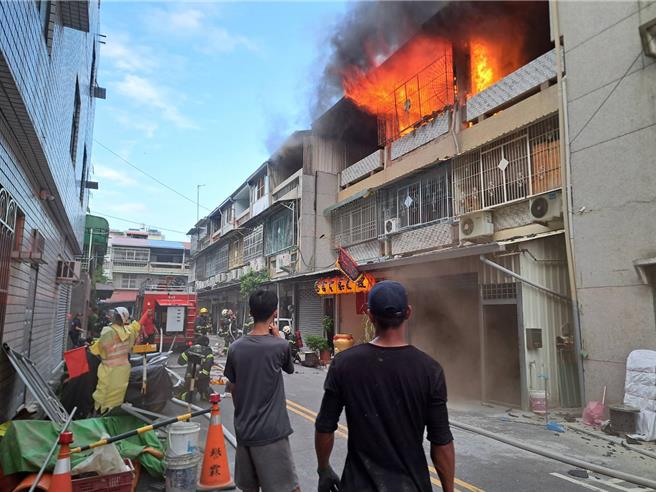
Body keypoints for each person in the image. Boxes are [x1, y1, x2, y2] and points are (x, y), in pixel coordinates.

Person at [314, 281, 455, 492]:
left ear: (370, 315)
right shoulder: (430, 370)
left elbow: (325, 426)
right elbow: (441, 441)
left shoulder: (344, 363)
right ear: (408, 312)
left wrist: (323, 470)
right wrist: (448, 490)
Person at [224, 289, 299, 492]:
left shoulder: (235, 348)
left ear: (250, 312)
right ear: (275, 313)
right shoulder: (280, 346)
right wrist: (278, 337)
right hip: (272, 433)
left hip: (244, 431)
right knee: (289, 488)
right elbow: (289, 369)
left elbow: (233, 389)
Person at [90, 307, 149, 414]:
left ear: (115, 317)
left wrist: (92, 344)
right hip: (123, 371)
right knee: (117, 396)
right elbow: (136, 326)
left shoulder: (108, 331)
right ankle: (112, 415)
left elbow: (96, 349)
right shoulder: (129, 332)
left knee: (103, 395)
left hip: (109, 370)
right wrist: (146, 313)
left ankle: (99, 414)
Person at [177, 334, 214, 402]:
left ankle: (187, 395)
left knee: (181, 393)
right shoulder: (208, 351)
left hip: (190, 377)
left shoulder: (191, 349)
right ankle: (205, 394)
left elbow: (180, 361)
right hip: (203, 379)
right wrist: (202, 375)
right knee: (208, 393)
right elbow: (208, 364)